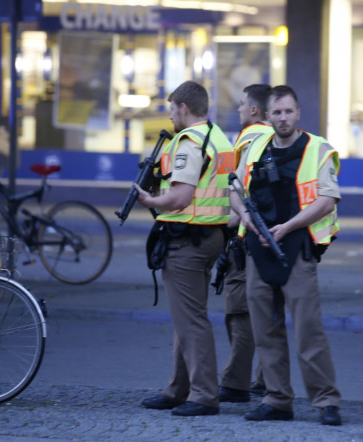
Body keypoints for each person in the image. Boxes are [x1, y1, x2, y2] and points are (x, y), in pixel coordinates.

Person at [230, 85, 342, 426]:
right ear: (267, 116)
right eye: (276, 112)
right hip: (258, 248)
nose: (282, 118)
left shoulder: (318, 148)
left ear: (298, 114)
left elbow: (327, 199)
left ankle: (326, 401)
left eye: (288, 111)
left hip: (297, 247)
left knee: (308, 330)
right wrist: (246, 217)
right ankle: (277, 399)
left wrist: (288, 227)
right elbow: (233, 190)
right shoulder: (253, 147)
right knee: (266, 330)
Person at [135, 80, 234, 417]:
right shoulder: (219, 138)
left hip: (187, 239)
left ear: (183, 107)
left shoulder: (190, 141)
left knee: (191, 321)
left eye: (172, 108)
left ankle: (204, 394)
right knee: (186, 318)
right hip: (211, 236)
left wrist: (150, 199)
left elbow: (180, 196)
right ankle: (178, 388)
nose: (171, 114)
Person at [217, 84, 273, 403]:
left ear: (254, 111)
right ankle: (267, 379)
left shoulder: (250, 137)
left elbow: (238, 190)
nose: (238, 110)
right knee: (268, 310)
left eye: (241, 105)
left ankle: (235, 382)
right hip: (279, 238)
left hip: (245, 238)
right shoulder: (285, 139)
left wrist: (220, 225)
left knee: (240, 311)